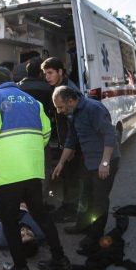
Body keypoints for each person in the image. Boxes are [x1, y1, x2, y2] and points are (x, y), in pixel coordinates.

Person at [0, 67, 70, 270]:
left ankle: (20, 267)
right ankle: (60, 258)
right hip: (32, 169)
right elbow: (46, 133)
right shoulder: (31, 101)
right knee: (41, 215)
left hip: (8, 171)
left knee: (9, 222)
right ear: (12, 81)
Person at [52, 85, 121, 250]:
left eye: (60, 107)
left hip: (105, 162)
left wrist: (105, 163)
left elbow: (109, 135)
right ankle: (82, 225)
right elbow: (71, 139)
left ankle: (95, 235)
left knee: (99, 200)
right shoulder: (73, 113)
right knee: (85, 196)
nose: (60, 111)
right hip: (89, 162)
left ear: (71, 100)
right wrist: (61, 162)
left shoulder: (93, 108)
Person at [41, 57, 83, 223]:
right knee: (67, 176)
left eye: (50, 73)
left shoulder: (68, 91)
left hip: (72, 143)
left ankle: (71, 211)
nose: (47, 77)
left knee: (72, 177)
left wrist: (71, 147)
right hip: (66, 141)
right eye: (45, 74)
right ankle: (67, 207)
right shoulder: (59, 87)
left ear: (60, 72)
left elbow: (74, 123)